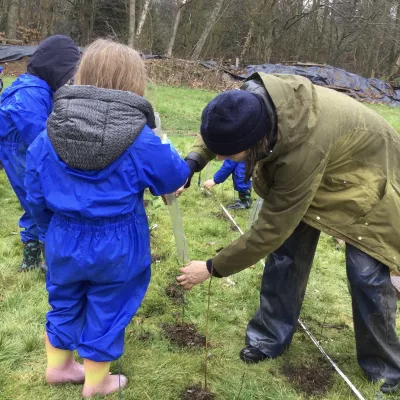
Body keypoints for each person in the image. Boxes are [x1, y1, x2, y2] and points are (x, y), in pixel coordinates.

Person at [177, 72, 400, 394]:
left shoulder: (301, 151)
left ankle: (384, 367)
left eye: (229, 156)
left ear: (257, 143)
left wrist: (212, 267)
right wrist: (192, 163)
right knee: (286, 257)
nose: (222, 160)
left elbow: (271, 228)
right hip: (325, 157)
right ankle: (269, 339)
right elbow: (217, 134)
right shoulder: (246, 103)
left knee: (366, 273)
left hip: (369, 173)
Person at [25, 39, 189, 398]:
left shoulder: (51, 129)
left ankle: (58, 366)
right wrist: (165, 145)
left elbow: (33, 188)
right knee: (110, 304)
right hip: (117, 241)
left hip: (63, 235)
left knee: (64, 297)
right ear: (134, 83)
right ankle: (96, 383)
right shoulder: (140, 138)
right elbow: (174, 176)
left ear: (81, 73)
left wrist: (45, 228)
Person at [0, 35, 80, 271]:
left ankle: (32, 258)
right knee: (44, 202)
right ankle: (51, 259)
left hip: (23, 152)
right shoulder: (29, 93)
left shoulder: (38, 89)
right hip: (23, 154)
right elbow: (40, 139)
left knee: (33, 204)